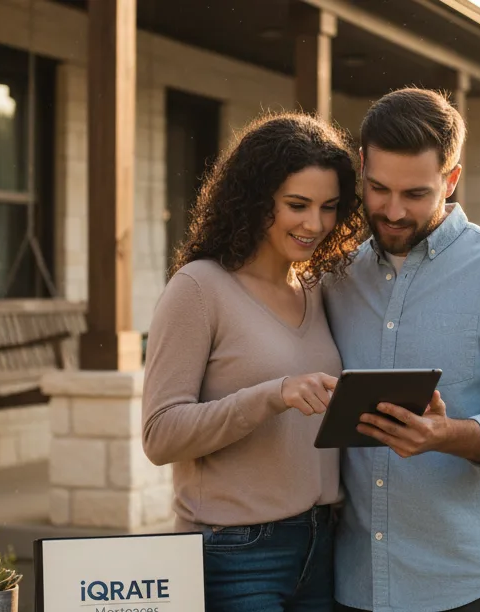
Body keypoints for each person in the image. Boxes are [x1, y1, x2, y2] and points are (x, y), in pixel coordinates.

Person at [322, 87, 480, 612]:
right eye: (378, 189)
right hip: (354, 586)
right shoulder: (337, 276)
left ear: (452, 179)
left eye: (415, 194)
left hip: (467, 585)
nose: (391, 211)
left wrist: (451, 435)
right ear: (362, 167)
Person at [141, 111, 367, 612]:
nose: (315, 224)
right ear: (255, 198)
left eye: (329, 207)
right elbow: (160, 436)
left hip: (323, 544)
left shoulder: (316, 288)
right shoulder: (199, 288)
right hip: (236, 553)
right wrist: (271, 395)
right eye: (297, 205)